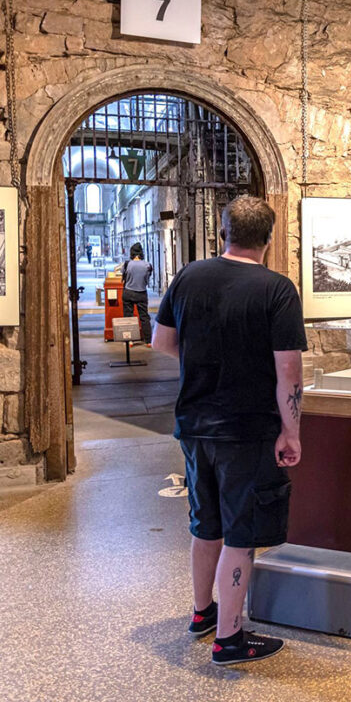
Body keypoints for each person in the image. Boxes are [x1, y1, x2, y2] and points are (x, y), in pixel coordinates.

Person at [152, 195, 306, 667]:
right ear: (269, 239)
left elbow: (162, 342)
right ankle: (229, 639)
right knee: (241, 534)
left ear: (223, 232)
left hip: (195, 425)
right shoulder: (277, 290)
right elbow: (289, 374)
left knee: (206, 525)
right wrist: (291, 432)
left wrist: (206, 367)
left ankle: (203, 614)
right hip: (246, 429)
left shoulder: (188, 276)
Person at [122, 243, 153, 346]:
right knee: (144, 317)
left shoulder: (127, 264)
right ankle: (148, 341)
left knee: (128, 317)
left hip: (128, 292)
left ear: (131, 253)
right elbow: (147, 279)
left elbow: (124, 276)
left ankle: (129, 340)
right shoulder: (147, 265)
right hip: (141, 293)